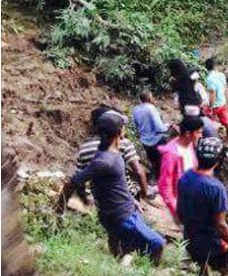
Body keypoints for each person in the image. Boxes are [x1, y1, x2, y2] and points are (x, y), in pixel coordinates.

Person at [56, 111, 165, 264]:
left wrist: (132, 201)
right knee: (158, 243)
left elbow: (116, 183)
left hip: (123, 210)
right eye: (123, 126)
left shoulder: (111, 153)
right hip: (121, 216)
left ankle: (120, 263)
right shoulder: (104, 160)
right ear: (119, 132)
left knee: (121, 244)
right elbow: (73, 182)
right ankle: (148, 273)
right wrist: (58, 209)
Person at [177, 137, 228, 276]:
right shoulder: (216, 188)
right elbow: (221, 225)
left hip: (190, 237)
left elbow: (180, 213)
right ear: (218, 161)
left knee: (201, 268)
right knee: (224, 274)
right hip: (212, 245)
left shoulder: (185, 177)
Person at [76, 106, 150, 201]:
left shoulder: (85, 148)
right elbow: (139, 172)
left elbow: (79, 180)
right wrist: (144, 193)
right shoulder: (123, 144)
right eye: (122, 125)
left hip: (99, 199)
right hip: (125, 197)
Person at [158, 117, 203, 219]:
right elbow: (164, 186)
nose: (201, 136)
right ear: (188, 133)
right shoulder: (171, 154)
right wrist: (177, 210)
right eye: (199, 133)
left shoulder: (190, 144)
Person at [132, 91, 173, 182]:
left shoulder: (135, 109)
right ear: (149, 98)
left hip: (145, 140)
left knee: (153, 161)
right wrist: (167, 126)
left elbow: (136, 126)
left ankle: (155, 178)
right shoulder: (151, 108)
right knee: (163, 161)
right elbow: (159, 128)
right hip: (156, 139)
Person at [204, 58, 228, 142]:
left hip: (215, 106)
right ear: (215, 66)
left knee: (209, 124)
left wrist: (210, 107)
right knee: (227, 124)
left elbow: (212, 94)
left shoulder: (209, 79)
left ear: (206, 68)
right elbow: (225, 88)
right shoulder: (221, 75)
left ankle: (212, 139)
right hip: (223, 103)